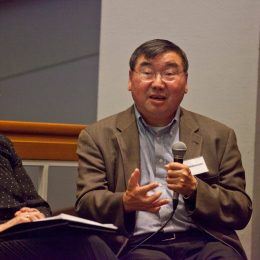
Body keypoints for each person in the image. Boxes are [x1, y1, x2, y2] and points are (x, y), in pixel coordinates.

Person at [75, 39, 252, 260]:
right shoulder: (98, 136)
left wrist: (195, 190)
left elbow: (241, 209)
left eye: (169, 74)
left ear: (185, 82)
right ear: (131, 80)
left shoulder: (218, 135)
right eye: (147, 73)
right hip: (138, 244)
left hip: (204, 240)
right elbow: (86, 203)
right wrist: (125, 202)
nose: (158, 83)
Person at [0, 134, 117, 260]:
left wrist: (36, 214)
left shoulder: (3, 145)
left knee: (90, 241)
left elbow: (38, 203)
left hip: (23, 230)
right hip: (4, 235)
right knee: (83, 247)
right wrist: (7, 225)